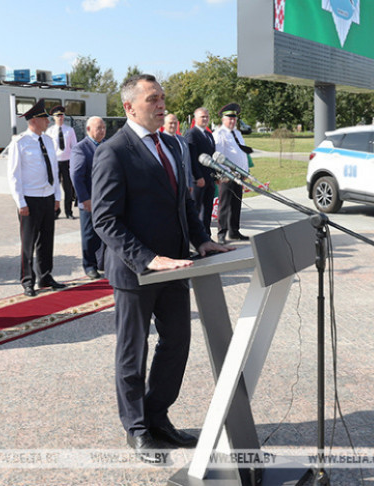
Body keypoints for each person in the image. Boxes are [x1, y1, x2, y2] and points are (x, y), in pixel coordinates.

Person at [92, 74, 231, 463]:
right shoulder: (113, 151)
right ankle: (136, 430)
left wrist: (202, 238)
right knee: (132, 352)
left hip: (176, 266)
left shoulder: (172, 144)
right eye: (152, 98)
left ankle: (157, 416)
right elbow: (105, 219)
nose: (160, 104)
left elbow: (183, 202)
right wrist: (148, 258)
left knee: (177, 344)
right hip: (136, 270)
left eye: (162, 97)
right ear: (129, 107)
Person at [8, 98, 66, 296]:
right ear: (34, 120)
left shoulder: (48, 141)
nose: (48, 122)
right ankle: (27, 280)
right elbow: (14, 175)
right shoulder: (19, 143)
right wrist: (20, 202)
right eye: (45, 119)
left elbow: (54, 169)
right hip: (29, 199)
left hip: (47, 197)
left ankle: (45, 276)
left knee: (46, 240)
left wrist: (57, 197)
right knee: (28, 242)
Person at [69, 116, 106, 280]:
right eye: (99, 128)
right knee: (89, 234)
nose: (102, 131)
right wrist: (84, 199)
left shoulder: (105, 146)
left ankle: (101, 262)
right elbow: (76, 176)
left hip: (105, 199)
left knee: (103, 232)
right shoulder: (80, 148)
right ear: (89, 129)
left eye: (104, 127)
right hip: (89, 200)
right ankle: (89, 265)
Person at [213, 102, 253, 245]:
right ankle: (222, 233)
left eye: (234, 118)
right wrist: (221, 173)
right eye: (229, 118)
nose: (232, 121)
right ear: (223, 119)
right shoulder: (219, 134)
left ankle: (234, 231)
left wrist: (245, 171)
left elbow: (241, 153)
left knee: (236, 204)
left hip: (239, 175)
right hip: (227, 175)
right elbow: (217, 155)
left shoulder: (237, 133)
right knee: (225, 204)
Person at [184, 107, 216, 235]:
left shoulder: (208, 134)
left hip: (210, 178)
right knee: (196, 210)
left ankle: (206, 235)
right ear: (195, 118)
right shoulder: (191, 134)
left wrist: (216, 175)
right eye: (202, 117)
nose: (205, 119)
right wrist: (198, 177)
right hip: (198, 180)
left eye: (207, 117)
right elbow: (191, 157)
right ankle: (195, 238)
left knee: (207, 209)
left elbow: (212, 156)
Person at [46, 105, 78, 219]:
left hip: (67, 162)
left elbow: (74, 147)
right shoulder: (49, 131)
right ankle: (56, 211)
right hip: (55, 162)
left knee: (68, 188)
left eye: (62, 115)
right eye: (58, 115)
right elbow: (48, 149)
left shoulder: (69, 130)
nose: (60, 117)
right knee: (55, 187)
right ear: (53, 117)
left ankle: (68, 212)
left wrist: (74, 162)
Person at [163, 113, 195, 196]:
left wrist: (189, 183)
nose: (173, 125)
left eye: (175, 123)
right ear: (164, 124)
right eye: (170, 123)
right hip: (169, 185)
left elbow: (187, 162)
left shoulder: (183, 140)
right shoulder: (160, 140)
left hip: (184, 184)